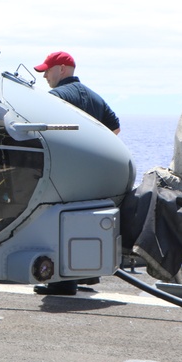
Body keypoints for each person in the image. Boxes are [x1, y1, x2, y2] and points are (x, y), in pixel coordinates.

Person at [33, 50, 121, 297]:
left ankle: (62, 283)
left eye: (47, 71)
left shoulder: (56, 97)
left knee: (57, 223)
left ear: (61, 69)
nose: (45, 77)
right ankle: (86, 273)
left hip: (65, 171)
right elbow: (115, 127)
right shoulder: (94, 98)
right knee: (86, 221)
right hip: (94, 174)